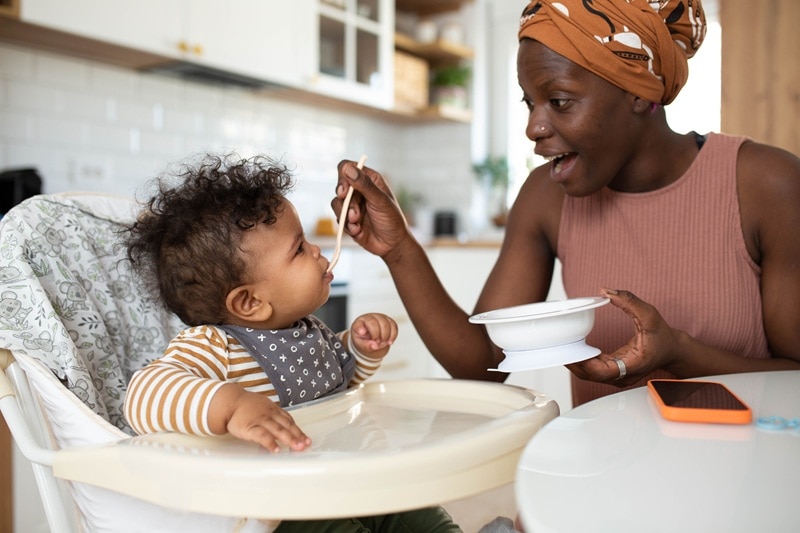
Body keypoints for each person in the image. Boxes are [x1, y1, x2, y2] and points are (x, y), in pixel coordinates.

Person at [331, 0, 800, 409]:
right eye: (529, 102)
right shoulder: (545, 197)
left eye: (558, 100)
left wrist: (681, 354)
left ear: (639, 91)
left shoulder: (765, 185)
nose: (533, 127)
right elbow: (482, 362)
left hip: (739, 482)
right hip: (597, 480)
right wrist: (398, 249)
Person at [123, 153, 462, 532]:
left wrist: (358, 349)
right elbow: (143, 394)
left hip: (345, 474)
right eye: (299, 249)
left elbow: (336, 385)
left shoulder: (306, 330)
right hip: (282, 507)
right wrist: (232, 406)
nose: (316, 250)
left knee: (416, 506)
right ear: (250, 302)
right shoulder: (214, 346)